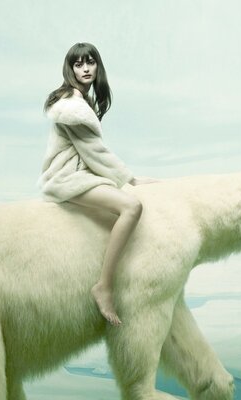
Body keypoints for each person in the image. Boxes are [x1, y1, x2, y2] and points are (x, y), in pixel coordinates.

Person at [37, 42, 157, 326]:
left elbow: (92, 155)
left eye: (90, 62)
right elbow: (95, 153)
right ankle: (103, 286)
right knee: (132, 206)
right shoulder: (72, 108)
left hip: (76, 174)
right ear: (70, 69)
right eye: (78, 64)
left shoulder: (80, 102)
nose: (85, 68)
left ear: (97, 66)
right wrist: (130, 179)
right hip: (66, 178)